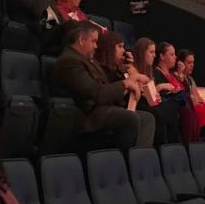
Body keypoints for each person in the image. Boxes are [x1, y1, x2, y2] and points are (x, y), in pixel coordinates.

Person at [52, 21, 155, 152]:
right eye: (93, 41)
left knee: (147, 119)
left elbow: (105, 85)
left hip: (100, 108)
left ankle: (140, 163)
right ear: (81, 40)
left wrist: (123, 71)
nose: (96, 46)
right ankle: (122, 164)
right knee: (130, 118)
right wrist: (126, 83)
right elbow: (96, 93)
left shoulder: (89, 59)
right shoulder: (70, 61)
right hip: (85, 113)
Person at [154, 41, 205, 142]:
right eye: (172, 54)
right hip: (174, 105)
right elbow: (163, 94)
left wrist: (182, 78)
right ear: (162, 56)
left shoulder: (171, 74)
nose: (175, 57)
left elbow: (186, 90)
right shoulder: (157, 73)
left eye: (175, 55)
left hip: (185, 103)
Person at [130, 38, 182, 145]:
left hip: (147, 101)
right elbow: (141, 93)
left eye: (154, 52)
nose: (154, 55)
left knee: (170, 109)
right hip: (136, 102)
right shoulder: (132, 69)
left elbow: (152, 94)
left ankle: (171, 148)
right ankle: (160, 149)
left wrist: (156, 93)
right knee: (159, 113)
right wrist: (159, 88)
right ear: (142, 53)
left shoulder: (148, 71)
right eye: (151, 52)